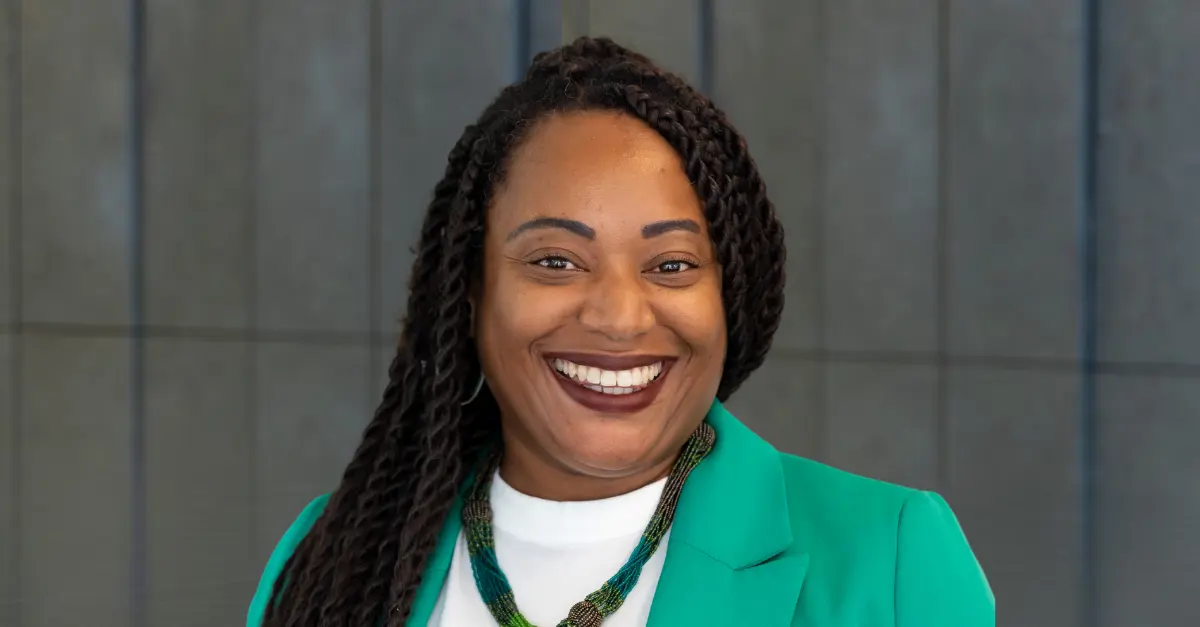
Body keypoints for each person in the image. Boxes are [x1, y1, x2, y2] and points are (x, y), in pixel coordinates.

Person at [248, 37, 994, 627]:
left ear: (729, 295)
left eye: (671, 265)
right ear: (470, 292)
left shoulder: (890, 560)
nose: (619, 316)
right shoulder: (336, 558)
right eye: (555, 261)